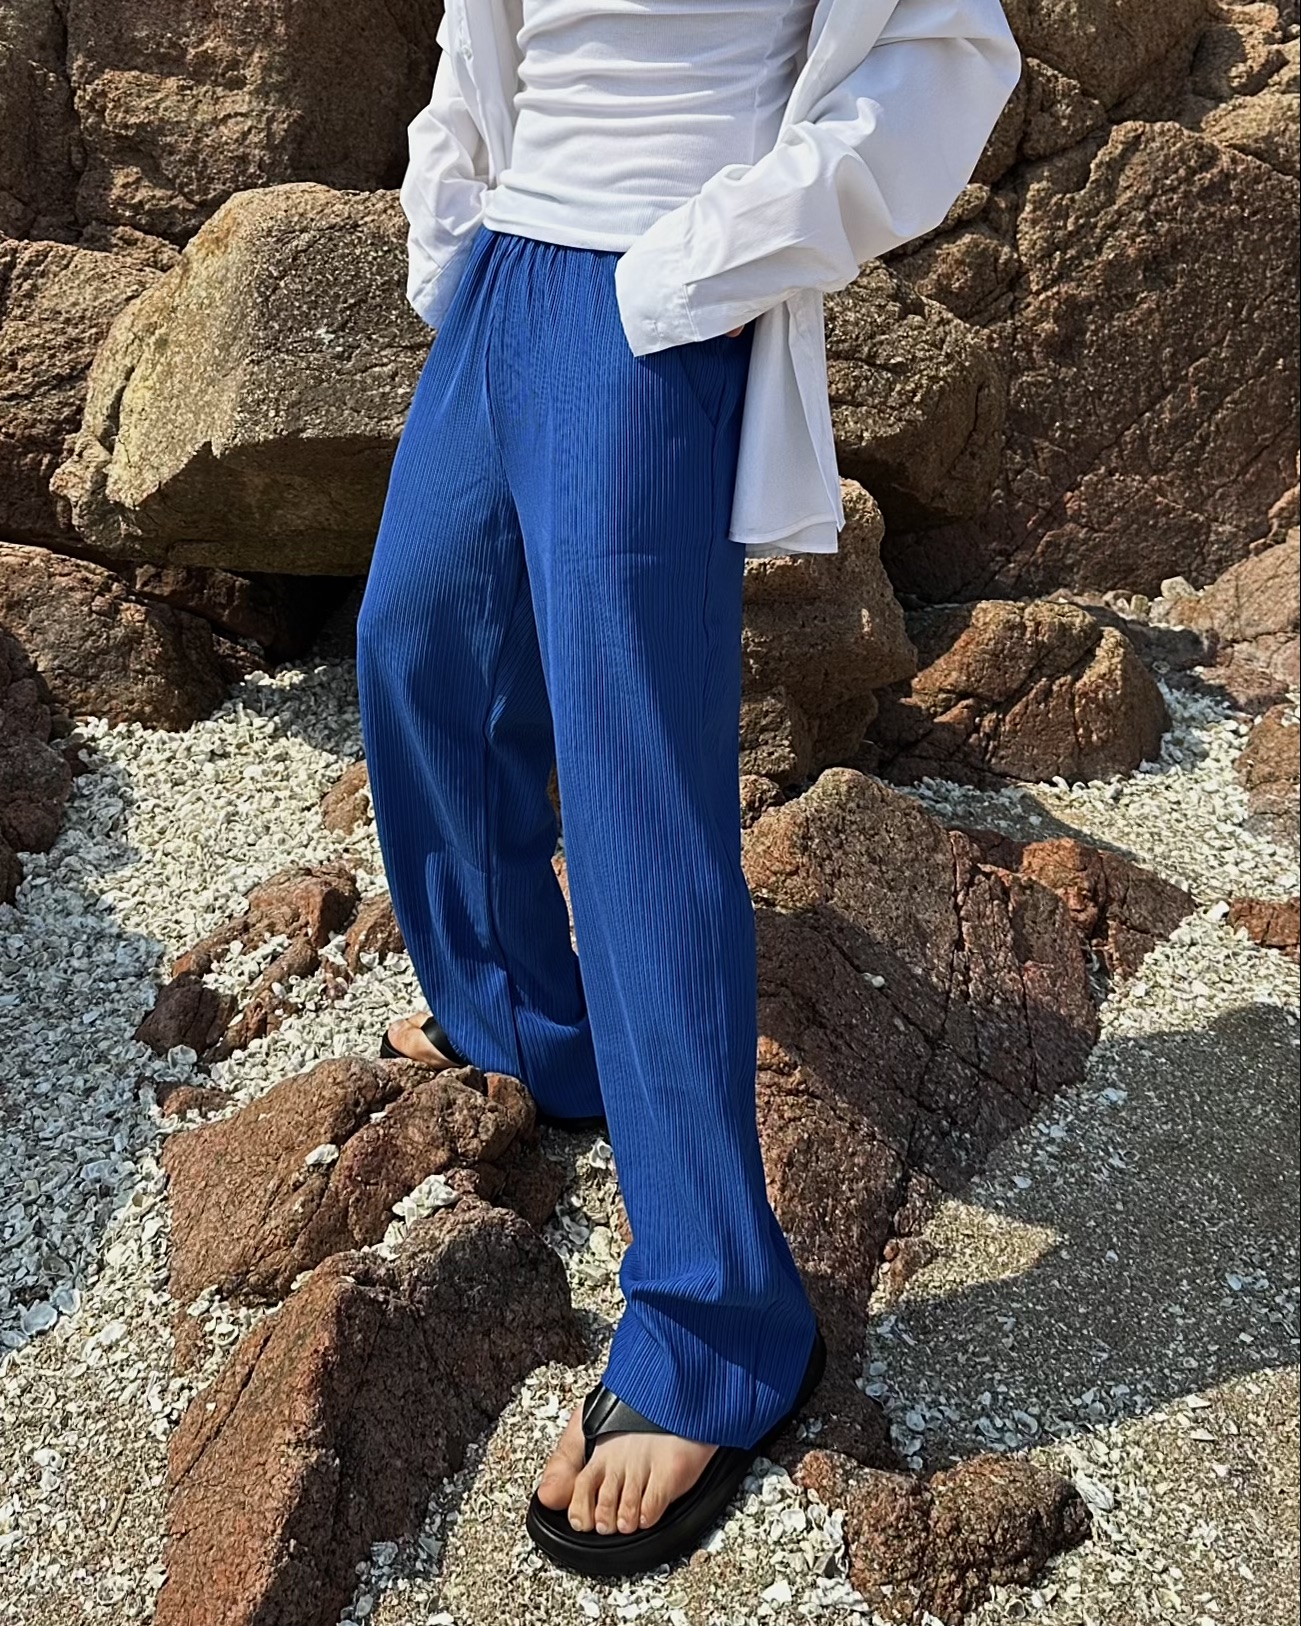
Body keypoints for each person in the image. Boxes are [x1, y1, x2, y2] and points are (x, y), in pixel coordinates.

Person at [355, 0, 1022, 1579]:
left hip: (654, 289)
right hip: (506, 270)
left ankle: (719, 1323)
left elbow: (947, 58)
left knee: (634, 790)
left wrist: (686, 268)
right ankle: (528, 1018)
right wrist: (453, 231)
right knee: (415, 646)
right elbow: (483, 38)